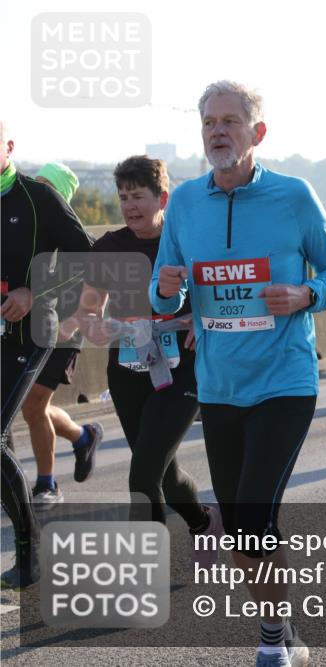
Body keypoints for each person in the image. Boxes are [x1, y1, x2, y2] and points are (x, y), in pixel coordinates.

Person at [149, 81, 326, 667]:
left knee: (253, 514)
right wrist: (166, 290)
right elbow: (166, 295)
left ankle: (270, 644)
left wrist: (307, 292)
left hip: (286, 380)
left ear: (256, 133)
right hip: (219, 385)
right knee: (243, 528)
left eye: (231, 121)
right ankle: (281, 620)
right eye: (209, 122)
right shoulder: (185, 202)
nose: (218, 131)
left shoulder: (293, 196)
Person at [61, 155, 222, 562]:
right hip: (128, 369)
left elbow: (218, 298)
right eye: (123, 197)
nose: (129, 205)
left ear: (162, 197)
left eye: (138, 196)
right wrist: (90, 322)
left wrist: (202, 325)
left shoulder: (188, 242)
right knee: (162, 472)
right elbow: (89, 307)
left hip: (181, 368)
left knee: (143, 473)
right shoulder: (111, 245)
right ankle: (203, 520)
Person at [1, 120, 96, 589]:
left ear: (9, 146)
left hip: (32, 334)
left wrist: (33, 291)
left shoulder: (37, 197)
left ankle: (29, 552)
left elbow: (88, 257)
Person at [18, 161, 104, 509]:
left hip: (64, 331)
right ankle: (82, 436)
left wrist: (75, 322)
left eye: (45, 187)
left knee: (34, 403)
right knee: (30, 406)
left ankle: (46, 484)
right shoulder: (25, 230)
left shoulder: (74, 237)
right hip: (26, 329)